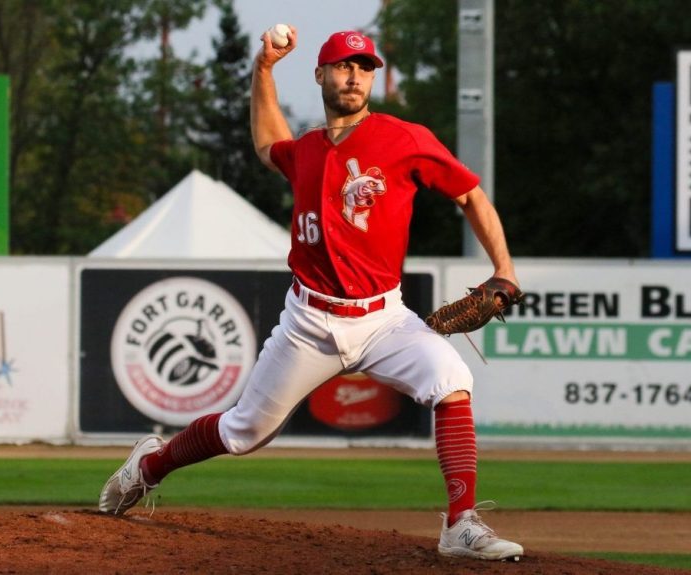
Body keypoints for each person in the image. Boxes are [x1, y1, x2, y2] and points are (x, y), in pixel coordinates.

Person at [99, 27, 524, 562]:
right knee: (244, 431)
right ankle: (148, 466)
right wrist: (263, 70)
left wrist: (503, 269)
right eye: (344, 66)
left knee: (452, 380)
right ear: (321, 75)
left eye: (365, 67)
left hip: (384, 319)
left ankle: (461, 524)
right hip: (309, 323)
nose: (355, 76)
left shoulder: (403, 138)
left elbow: (471, 195)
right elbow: (264, 143)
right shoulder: (305, 152)